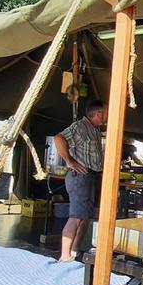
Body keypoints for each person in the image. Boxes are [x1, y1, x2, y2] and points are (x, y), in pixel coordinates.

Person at [54, 100, 106, 262]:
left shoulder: (96, 131)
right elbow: (58, 138)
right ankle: (64, 255)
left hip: (92, 175)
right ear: (97, 114)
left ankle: (74, 252)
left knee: (86, 216)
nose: (107, 116)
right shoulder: (80, 127)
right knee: (77, 217)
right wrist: (69, 161)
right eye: (105, 112)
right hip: (80, 176)